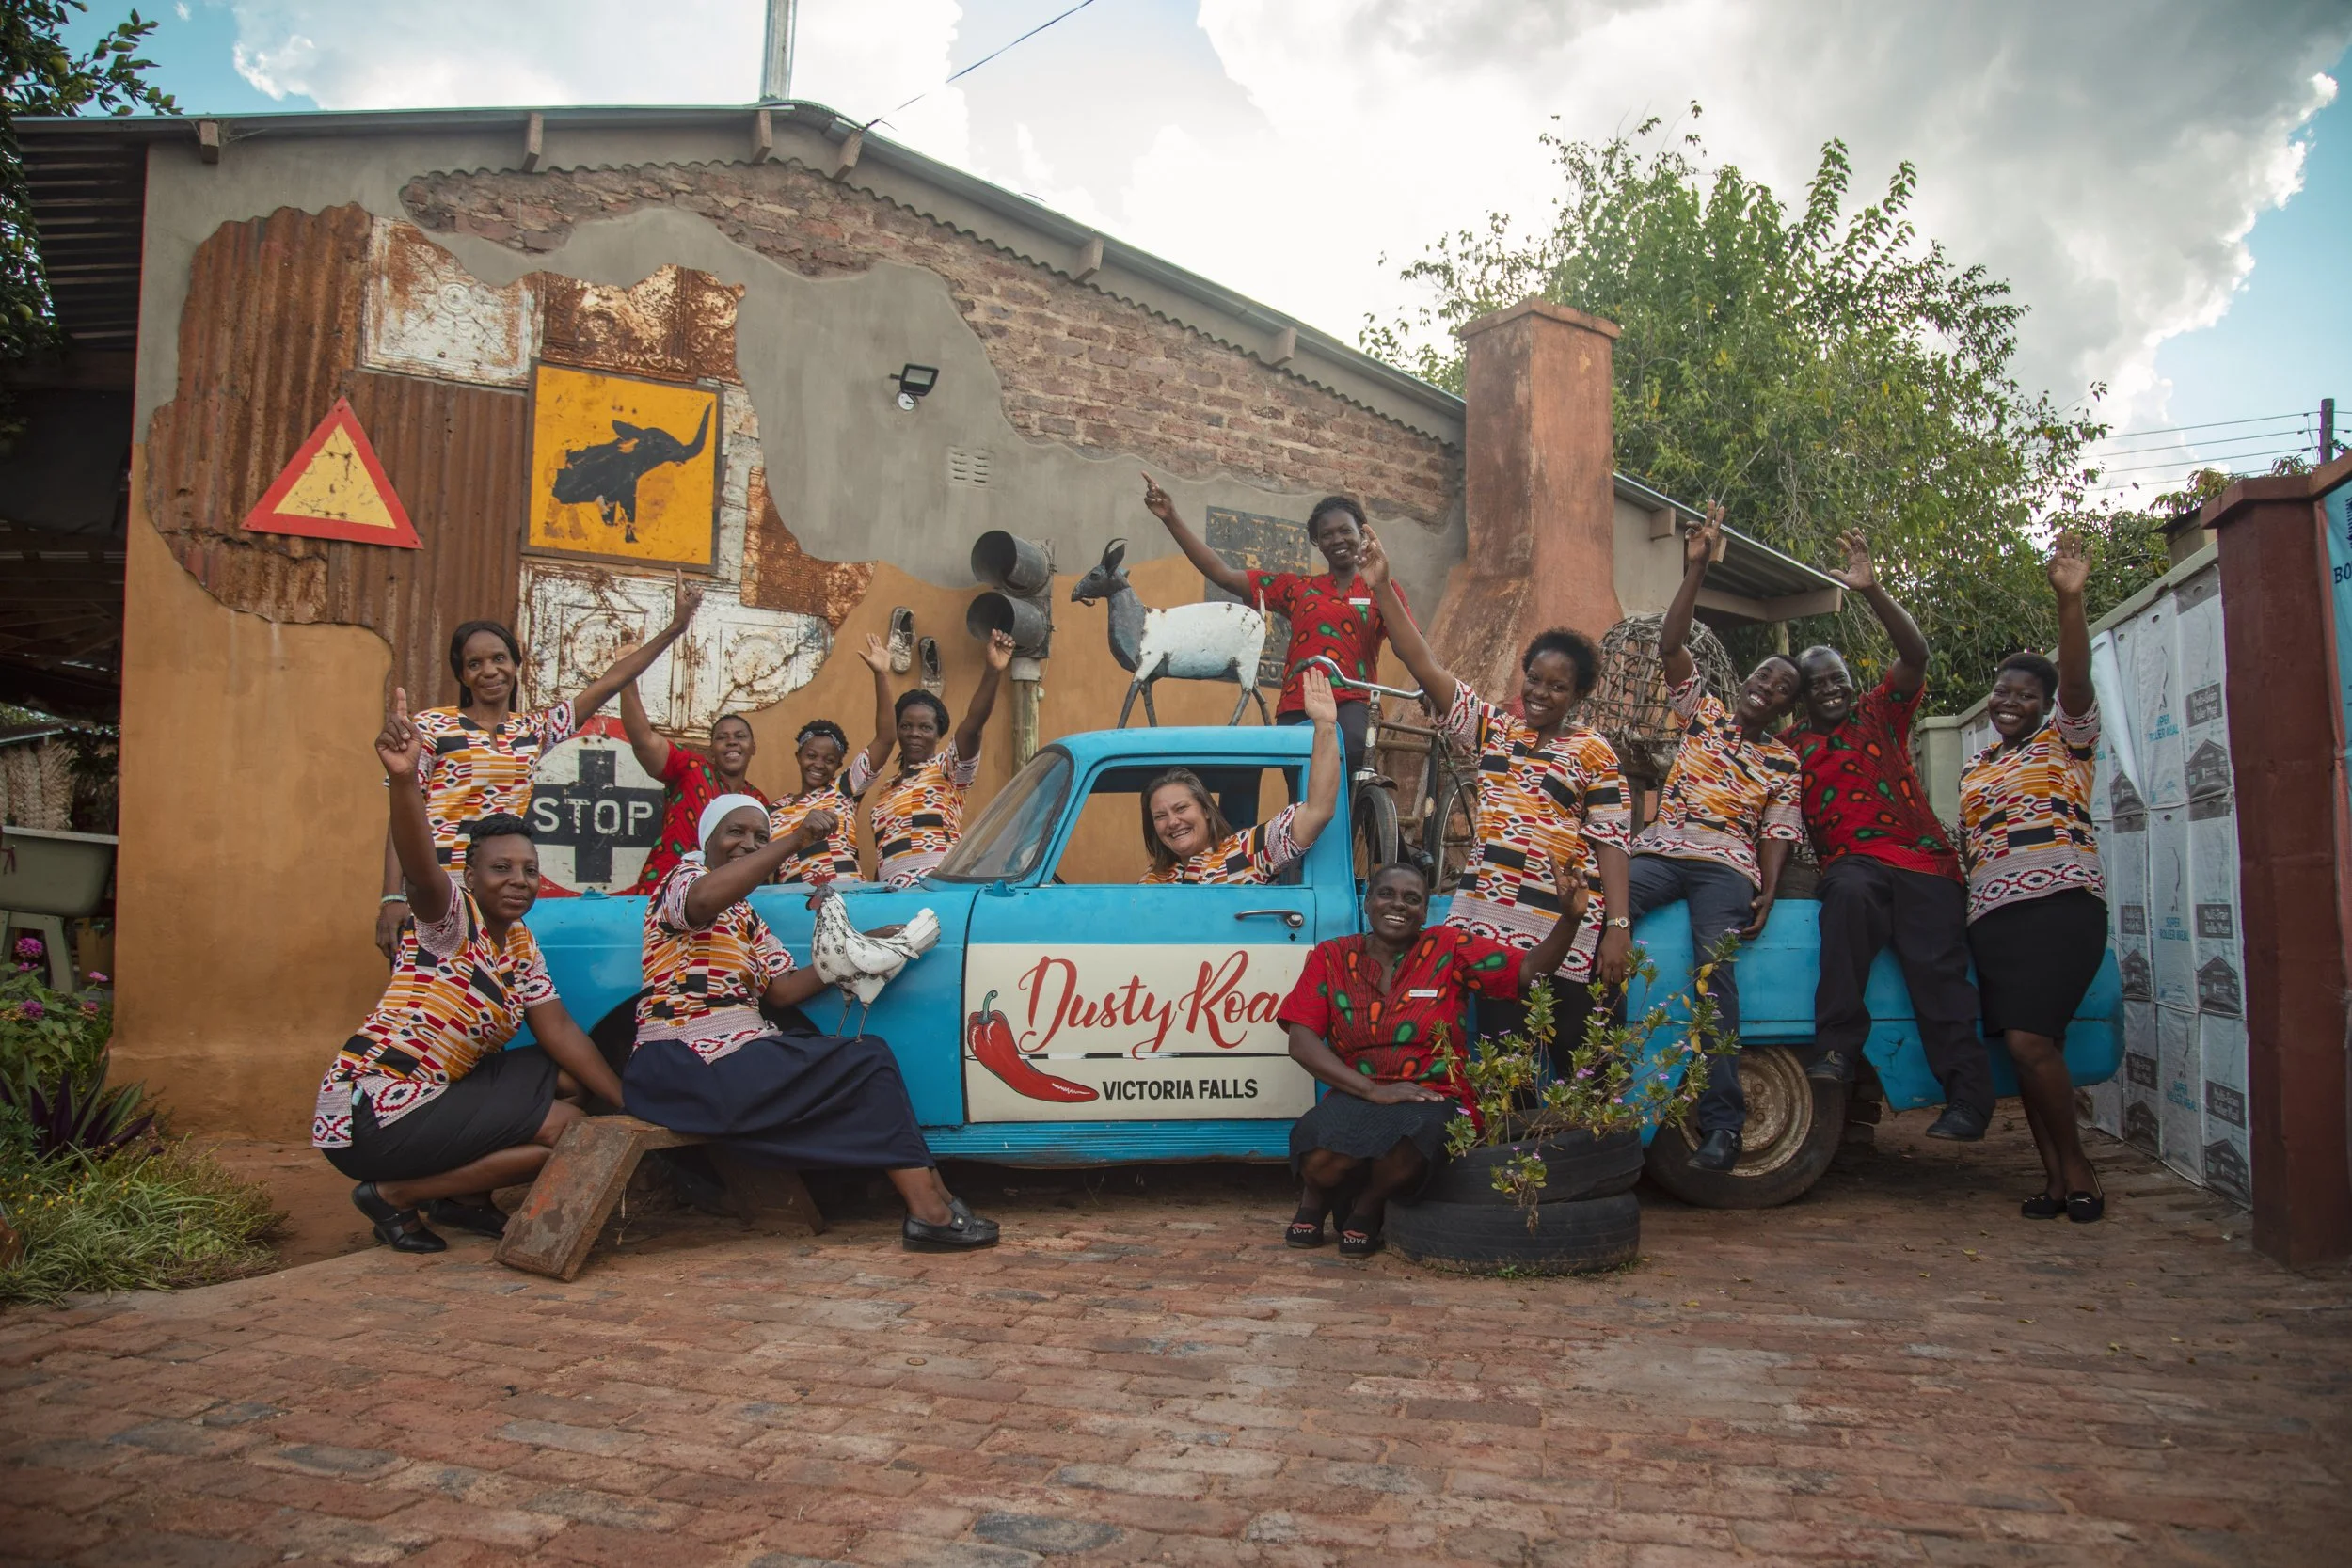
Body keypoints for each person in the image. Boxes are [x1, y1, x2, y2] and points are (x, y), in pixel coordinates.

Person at [319, 689, 628, 1254]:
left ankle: (459, 1199)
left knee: (573, 1075)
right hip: (375, 1108)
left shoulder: (522, 944)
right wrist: (407, 781)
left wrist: (629, 1104)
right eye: (502, 868)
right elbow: (421, 867)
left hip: (440, 1093)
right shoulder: (449, 918)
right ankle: (396, 1194)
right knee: (566, 1132)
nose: (519, 880)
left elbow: (558, 1032)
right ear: (470, 874)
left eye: (531, 870)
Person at [624, 794, 998, 1250]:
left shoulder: (747, 918)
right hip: (682, 1063)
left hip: (728, 1058)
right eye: (735, 832)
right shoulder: (683, 881)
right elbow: (701, 903)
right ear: (708, 840)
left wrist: (862, 948)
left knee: (870, 1056)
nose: (748, 844)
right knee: (867, 1065)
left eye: (759, 836)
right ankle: (930, 1211)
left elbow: (781, 990)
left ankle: (933, 1200)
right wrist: (792, 840)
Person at [1357, 529, 1632, 1053]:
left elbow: (1612, 843)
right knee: (1505, 1061)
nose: (1540, 693)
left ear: (1577, 694)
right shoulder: (1494, 731)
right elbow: (1425, 666)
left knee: (1580, 1060)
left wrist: (1617, 924)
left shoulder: (1595, 751)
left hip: (1564, 923)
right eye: (1534, 678)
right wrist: (1384, 587)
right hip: (1494, 924)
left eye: (1557, 686)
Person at [374, 576, 703, 958]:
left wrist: (676, 627)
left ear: (515, 664)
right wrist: (392, 895)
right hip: (431, 891)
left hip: (496, 894)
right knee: (428, 1001)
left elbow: (612, 681)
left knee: (488, 1000)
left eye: (499, 658)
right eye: (475, 664)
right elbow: (401, 813)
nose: (490, 671)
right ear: (463, 675)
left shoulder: (533, 731)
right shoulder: (431, 726)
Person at [1789, 530, 1994, 1141]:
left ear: (1854, 683)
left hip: (1924, 864)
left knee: (1938, 973)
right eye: (1819, 684)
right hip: (1856, 865)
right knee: (1845, 901)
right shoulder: (1790, 747)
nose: (1832, 689)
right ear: (1803, 698)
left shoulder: (1879, 713)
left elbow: (1916, 653)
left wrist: (1872, 589)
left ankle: (1968, 1100)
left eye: (1839, 679)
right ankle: (1836, 1053)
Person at [1278, 858, 1584, 1258]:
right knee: (1316, 1149)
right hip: (1356, 1092)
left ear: (1424, 912)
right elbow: (1301, 1041)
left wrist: (1570, 920)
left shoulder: (1448, 946)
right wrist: (1373, 1091)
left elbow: (1526, 970)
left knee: (1413, 1146)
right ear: (1367, 903)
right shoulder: (1332, 956)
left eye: (1412, 898)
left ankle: (1369, 1204)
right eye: (1386, 893)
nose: (1398, 904)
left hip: (1433, 1093)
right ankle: (1314, 1199)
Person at [1628, 505, 1804, 1173]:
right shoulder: (1700, 714)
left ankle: (1723, 1125)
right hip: (1662, 848)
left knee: (1714, 975)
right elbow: (1671, 644)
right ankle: (1594, 1069)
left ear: (1787, 706)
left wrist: (1766, 890)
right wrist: (1696, 564)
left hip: (1725, 866)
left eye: (1781, 687)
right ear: (1745, 683)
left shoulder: (1784, 762)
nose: (1766, 688)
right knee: (1595, 919)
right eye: (1762, 676)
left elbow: (1780, 829)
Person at [1960, 532, 2108, 1224]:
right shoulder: (1977, 767)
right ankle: (2053, 1179)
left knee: (2030, 1040)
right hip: (1993, 919)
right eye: (2001, 690)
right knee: (2025, 1049)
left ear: (2046, 704)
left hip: (2059, 907)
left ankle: (2079, 1170)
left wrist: (2069, 600)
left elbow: (2076, 678)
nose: (2008, 700)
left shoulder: (2066, 741)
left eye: (2025, 692)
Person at [1141, 474, 1405, 783]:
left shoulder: (1383, 589)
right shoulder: (1297, 588)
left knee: (1351, 758)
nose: (1337, 540)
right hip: (1298, 704)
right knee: (1301, 789)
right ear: (1317, 543)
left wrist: (1428, 689)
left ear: (1362, 533)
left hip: (1352, 702)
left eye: (1345, 531)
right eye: (1327, 534)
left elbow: (1411, 644)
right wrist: (1171, 519)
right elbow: (1224, 574)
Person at [1140, 667, 1342, 883]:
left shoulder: (1244, 852)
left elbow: (1318, 811)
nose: (1172, 822)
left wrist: (1325, 727)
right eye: (1160, 816)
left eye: (1181, 808)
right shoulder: (1154, 879)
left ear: (1206, 810)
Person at [846, 629, 1014, 888]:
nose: (914, 733)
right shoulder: (885, 791)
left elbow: (973, 725)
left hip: (935, 890)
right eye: (906, 725)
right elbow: (885, 854)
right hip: (895, 895)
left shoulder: (948, 770)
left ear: (939, 735)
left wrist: (993, 670)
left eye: (925, 727)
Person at [619, 696, 765, 895]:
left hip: (725, 903)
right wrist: (626, 680)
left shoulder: (757, 801)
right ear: (711, 750)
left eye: (740, 736)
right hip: (665, 894)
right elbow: (643, 740)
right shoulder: (692, 770)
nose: (731, 742)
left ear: (753, 748)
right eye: (722, 737)